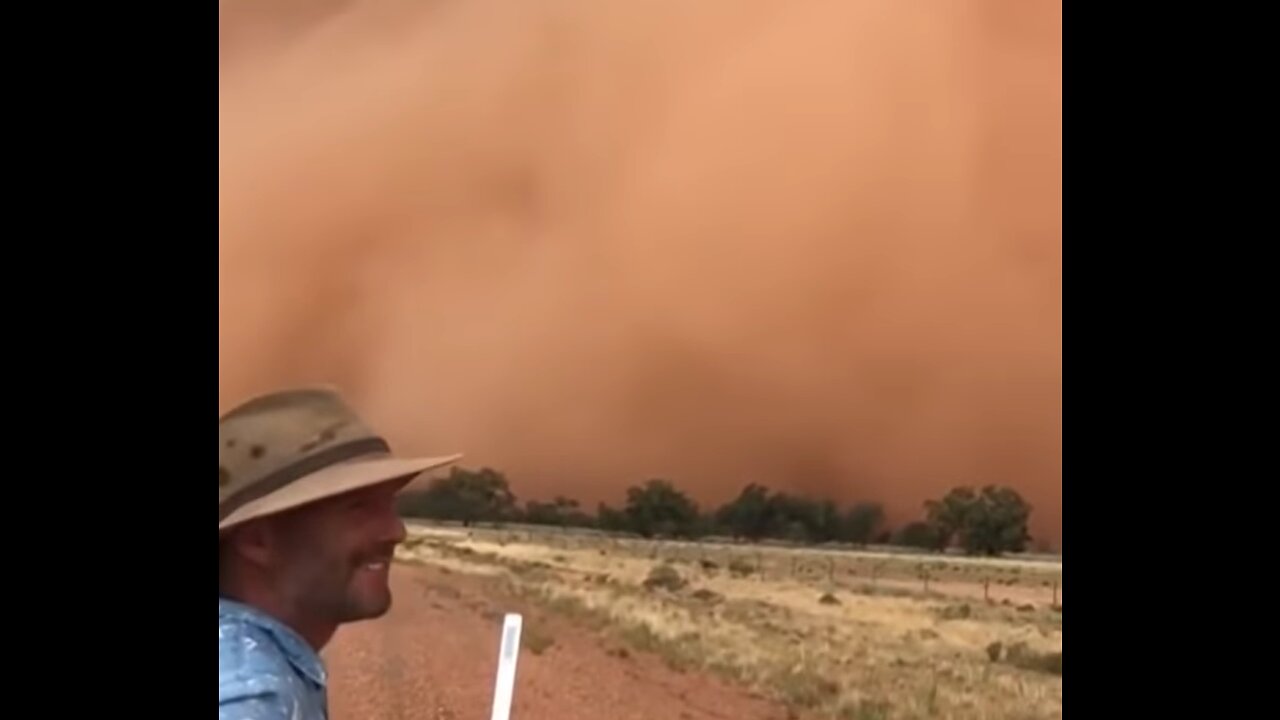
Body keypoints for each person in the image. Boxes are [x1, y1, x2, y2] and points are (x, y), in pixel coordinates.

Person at [218, 386, 461, 720]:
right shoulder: (252, 699)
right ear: (257, 540)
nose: (396, 531)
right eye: (358, 508)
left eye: (389, 504)